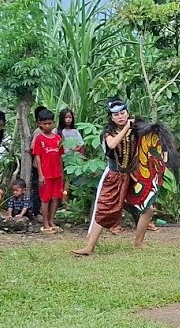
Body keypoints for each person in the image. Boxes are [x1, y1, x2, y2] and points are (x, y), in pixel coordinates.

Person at [72, 99, 174, 255]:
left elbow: (153, 139)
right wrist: (127, 127)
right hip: (114, 176)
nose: (120, 117)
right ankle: (89, 247)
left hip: (133, 175)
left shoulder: (137, 128)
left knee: (148, 209)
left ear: (127, 113)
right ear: (111, 118)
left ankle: (139, 243)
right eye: (116, 115)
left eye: (122, 113)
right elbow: (112, 145)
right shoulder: (108, 133)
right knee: (104, 209)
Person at [31, 108, 65, 233]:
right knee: (45, 199)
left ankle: (51, 220)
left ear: (53, 123)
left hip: (57, 173)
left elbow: (60, 156)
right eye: (44, 123)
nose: (47, 126)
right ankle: (45, 222)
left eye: (49, 123)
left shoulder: (58, 138)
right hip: (46, 174)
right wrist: (40, 174)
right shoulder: (39, 139)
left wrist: (62, 173)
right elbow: (37, 157)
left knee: (56, 198)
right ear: (39, 124)